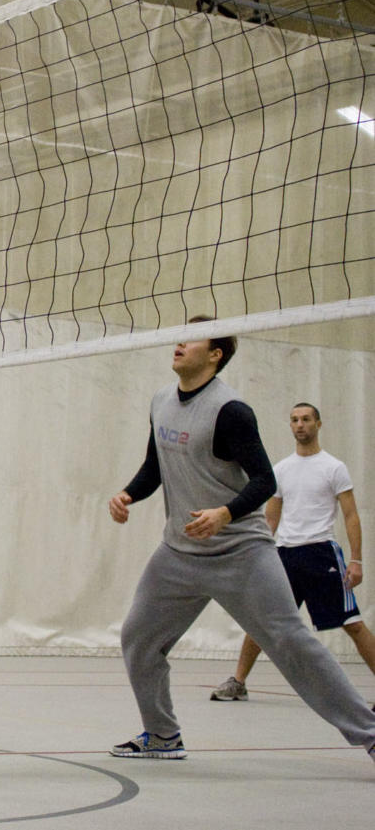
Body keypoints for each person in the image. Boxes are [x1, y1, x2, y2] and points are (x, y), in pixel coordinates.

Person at [105, 318, 375, 765]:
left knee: (289, 640)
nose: (178, 342)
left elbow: (265, 481)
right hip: (178, 553)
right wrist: (127, 495)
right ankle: (162, 735)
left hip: (241, 552)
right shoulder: (160, 402)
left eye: (191, 338)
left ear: (215, 354)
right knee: (138, 638)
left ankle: (369, 733)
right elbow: (155, 466)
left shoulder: (231, 411)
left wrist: (224, 513)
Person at [210, 402, 375, 702]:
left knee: (352, 623)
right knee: (261, 619)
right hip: (284, 556)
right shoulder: (281, 470)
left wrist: (356, 560)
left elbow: (351, 515)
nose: (300, 425)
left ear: (318, 424)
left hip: (321, 554)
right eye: (295, 420)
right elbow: (270, 519)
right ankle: (238, 682)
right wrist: (257, 555)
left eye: (306, 419)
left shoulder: (334, 467)